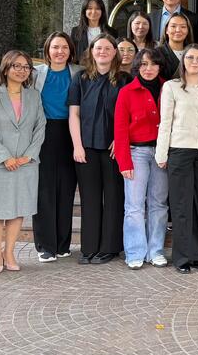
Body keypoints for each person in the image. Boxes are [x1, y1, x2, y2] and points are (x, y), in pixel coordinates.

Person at [0, 50, 46, 274]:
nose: (21, 70)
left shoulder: (34, 96)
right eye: (16, 66)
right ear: (6, 68)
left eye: (26, 67)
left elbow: (40, 126)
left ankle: (9, 252)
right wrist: (4, 157)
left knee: (19, 208)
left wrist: (29, 155)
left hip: (25, 163)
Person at [68, 33, 130, 264]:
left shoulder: (125, 79)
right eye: (98, 48)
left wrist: (120, 139)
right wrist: (77, 145)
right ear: (91, 51)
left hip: (114, 148)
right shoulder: (81, 78)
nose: (102, 52)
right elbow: (74, 114)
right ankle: (89, 248)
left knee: (114, 197)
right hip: (86, 148)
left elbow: (130, 114)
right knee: (90, 198)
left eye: (107, 48)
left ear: (115, 53)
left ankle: (109, 248)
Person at [155, 44, 198, 274]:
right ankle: (181, 258)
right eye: (190, 57)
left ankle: (197, 255)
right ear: (183, 61)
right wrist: (161, 153)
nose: (194, 62)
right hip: (180, 151)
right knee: (181, 205)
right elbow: (165, 121)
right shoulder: (172, 87)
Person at [114, 48, 168, 270]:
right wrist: (124, 162)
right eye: (144, 64)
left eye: (153, 64)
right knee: (134, 205)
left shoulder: (168, 88)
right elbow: (120, 129)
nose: (149, 69)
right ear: (137, 66)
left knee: (159, 203)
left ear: (160, 66)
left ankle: (155, 251)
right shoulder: (127, 92)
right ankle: (135, 252)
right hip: (136, 152)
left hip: (161, 153)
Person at [32, 32, 82, 263]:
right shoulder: (35, 73)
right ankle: (45, 245)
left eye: (64, 47)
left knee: (66, 189)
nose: (59, 51)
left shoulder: (79, 72)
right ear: (47, 50)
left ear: (70, 50)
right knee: (44, 190)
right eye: (55, 47)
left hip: (71, 132)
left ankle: (63, 244)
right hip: (43, 132)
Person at [70, 0, 117, 64]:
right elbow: (72, 53)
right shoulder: (76, 31)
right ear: (84, 11)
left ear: (102, 11)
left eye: (97, 8)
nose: (93, 11)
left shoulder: (112, 32)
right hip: (82, 67)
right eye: (90, 8)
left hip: (105, 67)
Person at [157, 12, 194, 79]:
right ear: (166, 30)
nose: (178, 30)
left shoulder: (194, 53)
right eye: (173, 26)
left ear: (188, 31)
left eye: (183, 27)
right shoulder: (157, 53)